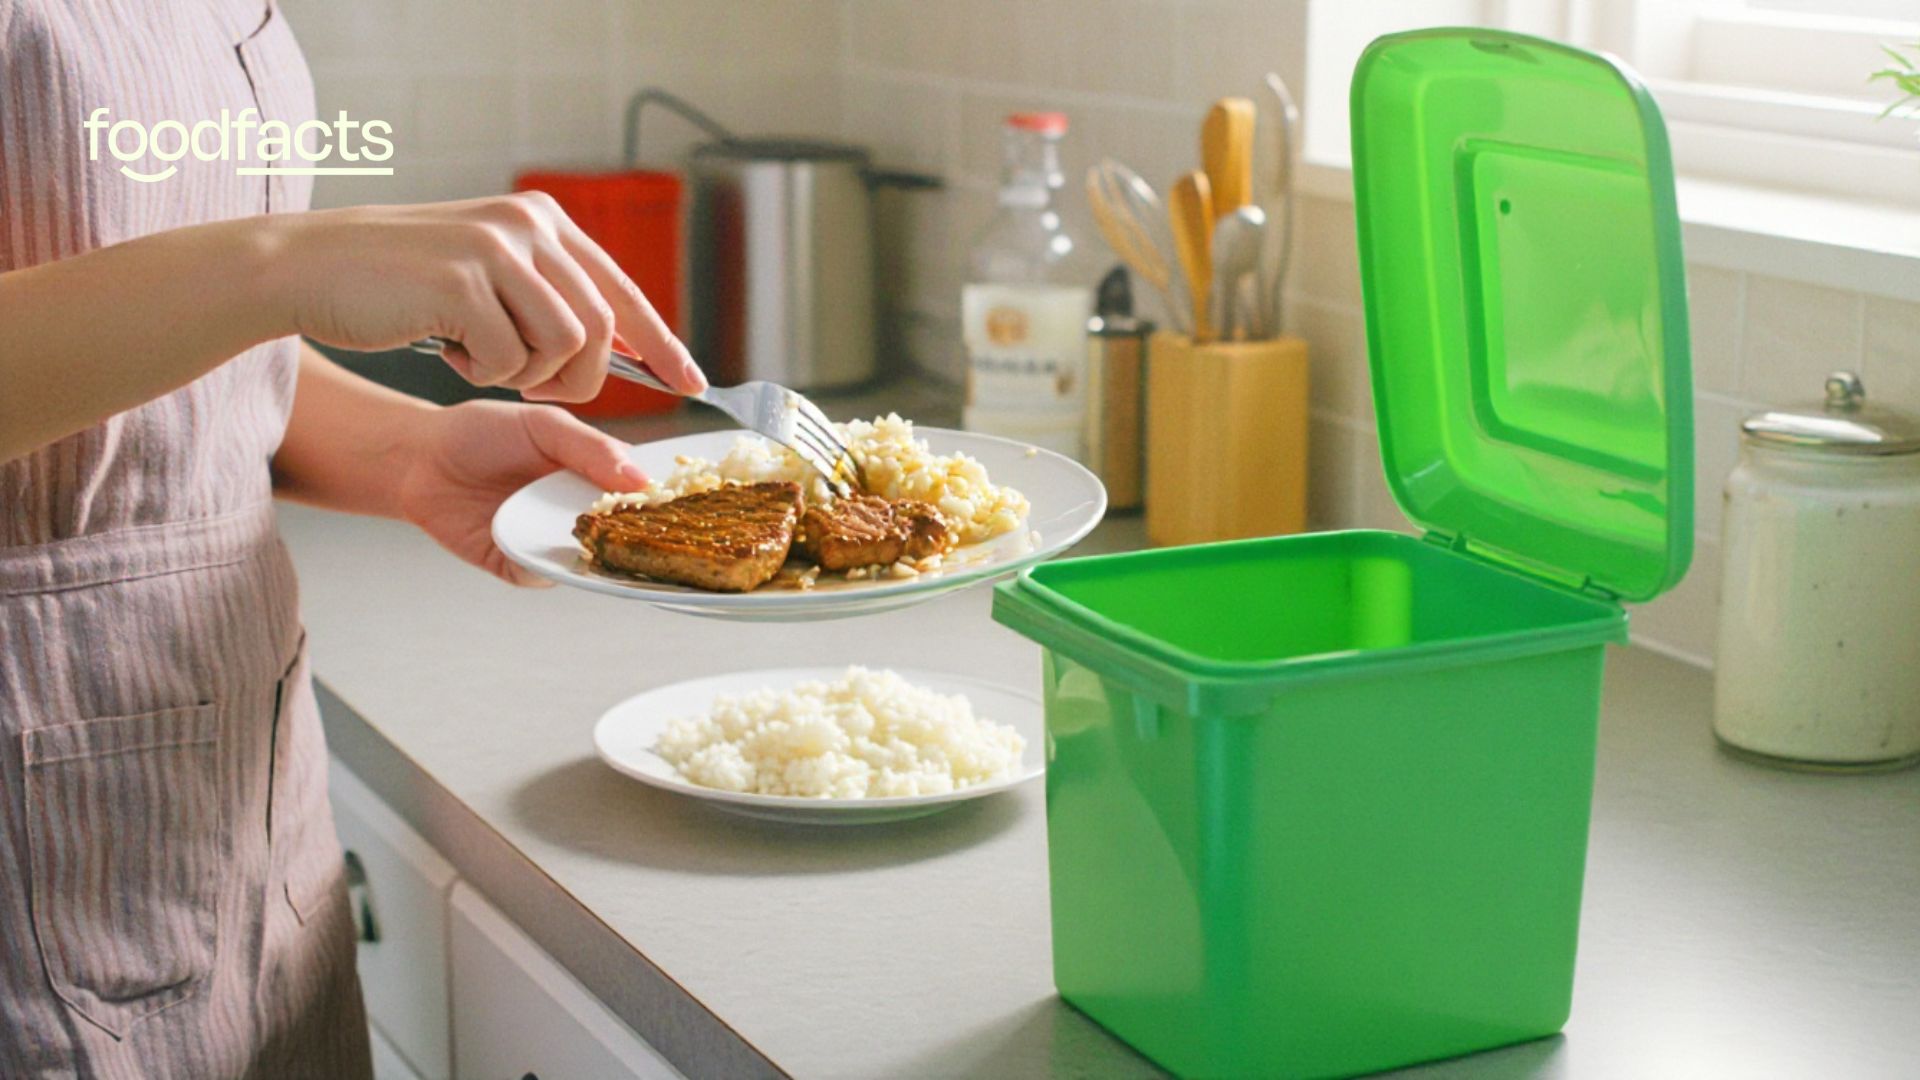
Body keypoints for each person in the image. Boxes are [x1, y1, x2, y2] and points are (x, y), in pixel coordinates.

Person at [0, 3, 705, 1075]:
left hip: (238, 819)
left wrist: (406, 453)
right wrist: (281, 264)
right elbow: (235, 284)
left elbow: (174, 368)